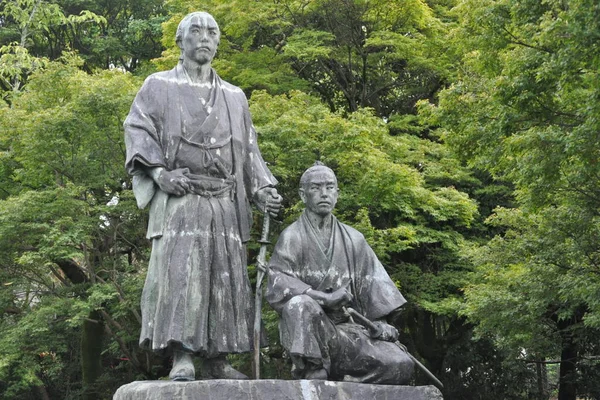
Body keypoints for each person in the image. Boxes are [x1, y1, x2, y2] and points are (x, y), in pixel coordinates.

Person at [124, 11, 282, 381]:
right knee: (183, 275)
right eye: (196, 31)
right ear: (180, 41)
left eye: (212, 32)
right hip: (182, 197)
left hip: (225, 201)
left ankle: (218, 358)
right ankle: (183, 355)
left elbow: (248, 151)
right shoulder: (158, 86)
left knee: (225, 276)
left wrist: (262, 188)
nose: (205, 37)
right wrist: (160, 174)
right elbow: (137, 128)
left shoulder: (234, 96)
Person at [266, 163, 414, 384]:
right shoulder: (292, 237)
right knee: (299, 304)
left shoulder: (354, 239)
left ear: (337, 193)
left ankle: (352, 381)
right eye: (316, 188)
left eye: (330, 187)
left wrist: (381, 324)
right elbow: (278, 283)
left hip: (349, 334)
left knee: (403, 364)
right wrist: (324, 298)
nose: (324, 194)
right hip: (315, 331)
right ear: (302, 195)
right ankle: (313, 368)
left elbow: (374, 292)